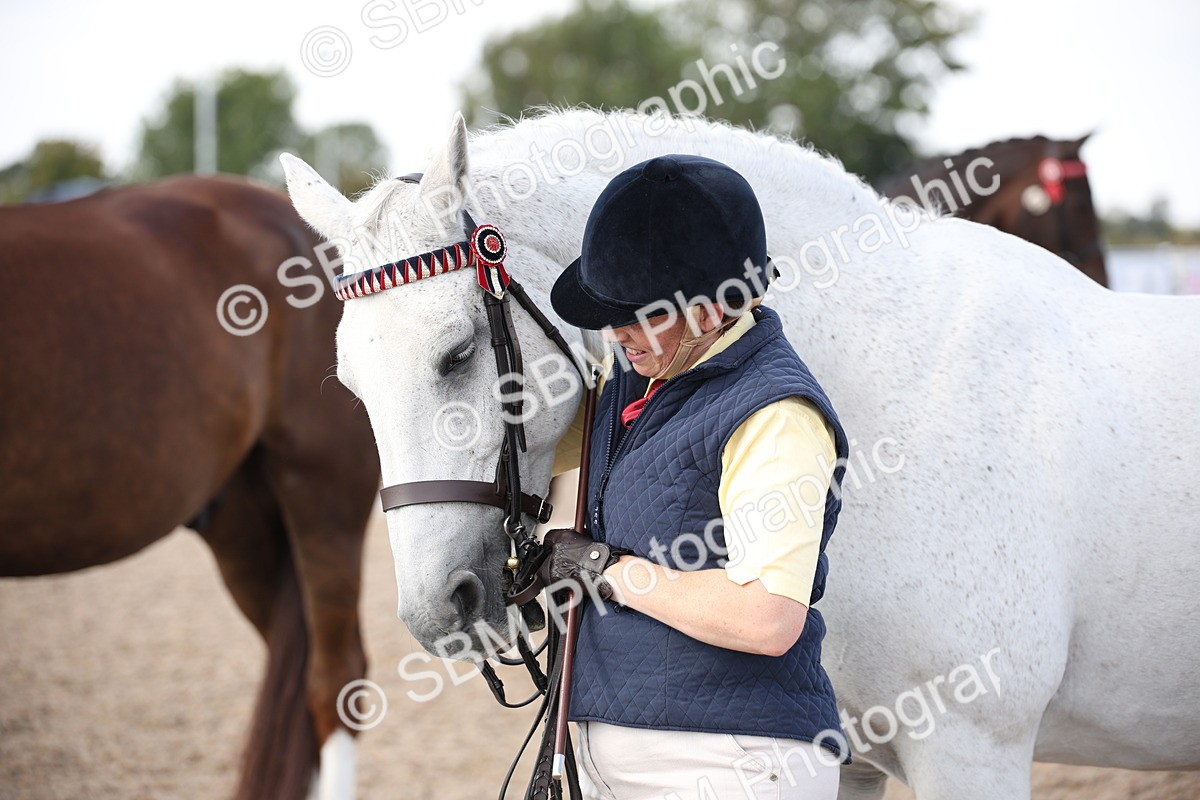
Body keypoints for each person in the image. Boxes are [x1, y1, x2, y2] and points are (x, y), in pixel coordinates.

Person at [540, 154, 851, 800]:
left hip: (729, 763)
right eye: (609, 310)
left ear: (713, 313)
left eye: (638, 313)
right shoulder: (630, 379)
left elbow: (768, 617)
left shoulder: (775, 416)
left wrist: (609, 571)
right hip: (608, 756)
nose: (616, 331)